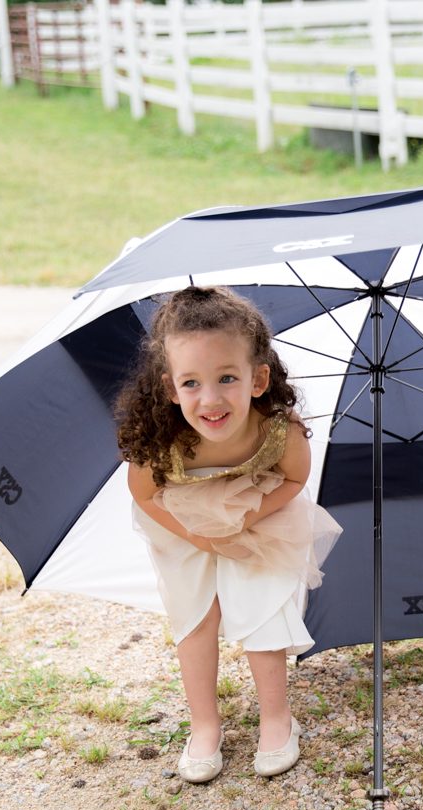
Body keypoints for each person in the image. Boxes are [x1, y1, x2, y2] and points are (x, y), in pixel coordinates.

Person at [116, 286, 340, 783]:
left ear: (258, 379)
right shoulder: (162, 440)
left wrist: (248, 518)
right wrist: (198, 537)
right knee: (195, 615)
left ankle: (277, 718)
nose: (211, 399)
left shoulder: (279, 429)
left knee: (262, 603)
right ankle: (204, 725)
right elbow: (145, 496)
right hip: (181, 523)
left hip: (257, 514)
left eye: (227, 378)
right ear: (170, 388)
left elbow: (296, 480)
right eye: (191, 383)